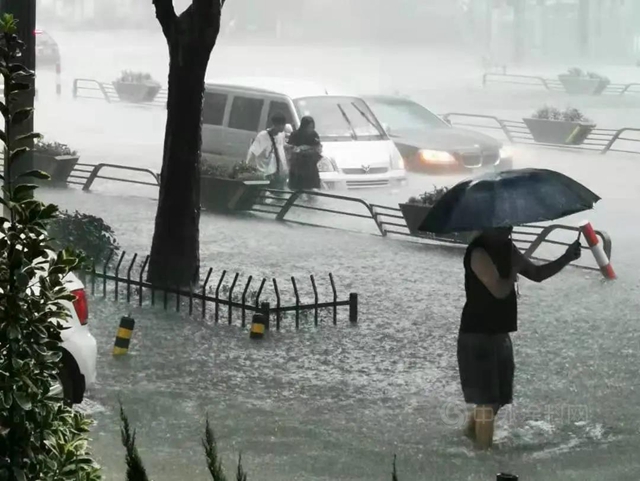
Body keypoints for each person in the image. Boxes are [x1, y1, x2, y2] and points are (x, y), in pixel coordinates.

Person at [457, 226, 582, 450]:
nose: (510, 227)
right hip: (477, 336)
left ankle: (467, 438)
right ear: (489, 223)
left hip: (500, 333)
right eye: (504, 223)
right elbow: (499, 290)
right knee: (487, 402)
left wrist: (566, 257)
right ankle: (485, 459)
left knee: (498, 400)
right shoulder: (478, 252)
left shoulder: (507, 247)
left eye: (510, 222)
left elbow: (537, 274)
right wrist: (514, 270)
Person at [246, 112, 288, 190]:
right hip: (266, 174)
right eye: (280, 125)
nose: (283, 127)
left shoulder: (281, 135)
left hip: (277, 173)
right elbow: (252, 153)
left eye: (283, 124)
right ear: (275, 124)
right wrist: (249, 170)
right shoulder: (263, 136)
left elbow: (281, 152)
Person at [287, 116, 322, 192]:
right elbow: (290, 149)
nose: (310, 129)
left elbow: (318, 149)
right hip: (297, 168)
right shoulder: (295, 135)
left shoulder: (314, 135)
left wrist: (307, 149)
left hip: (310, 167)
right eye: (308, 127)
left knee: (312, 191)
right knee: (297, 191)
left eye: (311, 127)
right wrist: (298, 150)